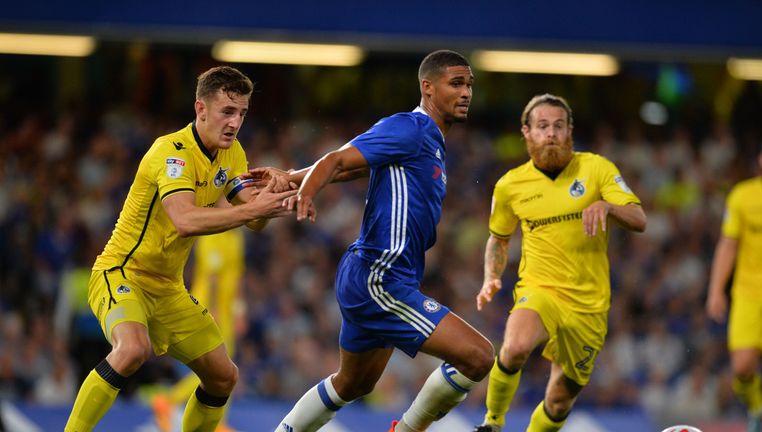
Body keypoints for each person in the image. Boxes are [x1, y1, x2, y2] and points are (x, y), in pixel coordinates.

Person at [250, 50, 494, 432]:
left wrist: (293, 177)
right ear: (427, 87)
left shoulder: (429, 141)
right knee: (479, 357)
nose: (466, 93)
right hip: (380, 278)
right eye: (457, 83)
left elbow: (351, 167)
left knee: (354, 383)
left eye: (469, 85)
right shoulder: (411, 128)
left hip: (377, 276)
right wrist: (307, 193)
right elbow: (334, 160)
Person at [64, 66, 297, 432]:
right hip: (122, 273)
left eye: (242, 113)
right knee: (132, 349)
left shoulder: (232, 153)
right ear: (200, 109)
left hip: (168, 288)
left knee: (223, 377)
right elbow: (185, 220)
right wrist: (255, 208)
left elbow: (253, 218)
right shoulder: (170, 152)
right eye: (227, 111)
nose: (235, 122)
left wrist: (275, 195)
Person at [473, 94, 647, 432]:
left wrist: (609, 208)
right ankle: (492, 422)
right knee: (516, 346)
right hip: (542, 289)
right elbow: (499, 237)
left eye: (558, 126)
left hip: (588, 304)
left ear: (570, 131)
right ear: (527, 132)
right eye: (542, 127)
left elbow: (639, 218)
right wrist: (490, 276)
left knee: (558, 400)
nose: (550, 134)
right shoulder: (510, 186)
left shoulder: (596, 168)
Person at [152, 228, 247, 432]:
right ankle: (169, 400)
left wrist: (239, 311)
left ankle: (218, 421)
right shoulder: (213, 233)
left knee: (227, 368)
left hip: (227, 310)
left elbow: (237, 275)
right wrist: (212, 308)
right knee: (218, 369)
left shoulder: (237, 236)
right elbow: (212, 276)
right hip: (209, 307)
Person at [706, 138, 762, 432]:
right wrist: (716, 290)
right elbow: (728, 245)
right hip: (748, 294)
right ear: (761, 160)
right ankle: (758, 407)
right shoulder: (742, 196)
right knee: (742, 368)